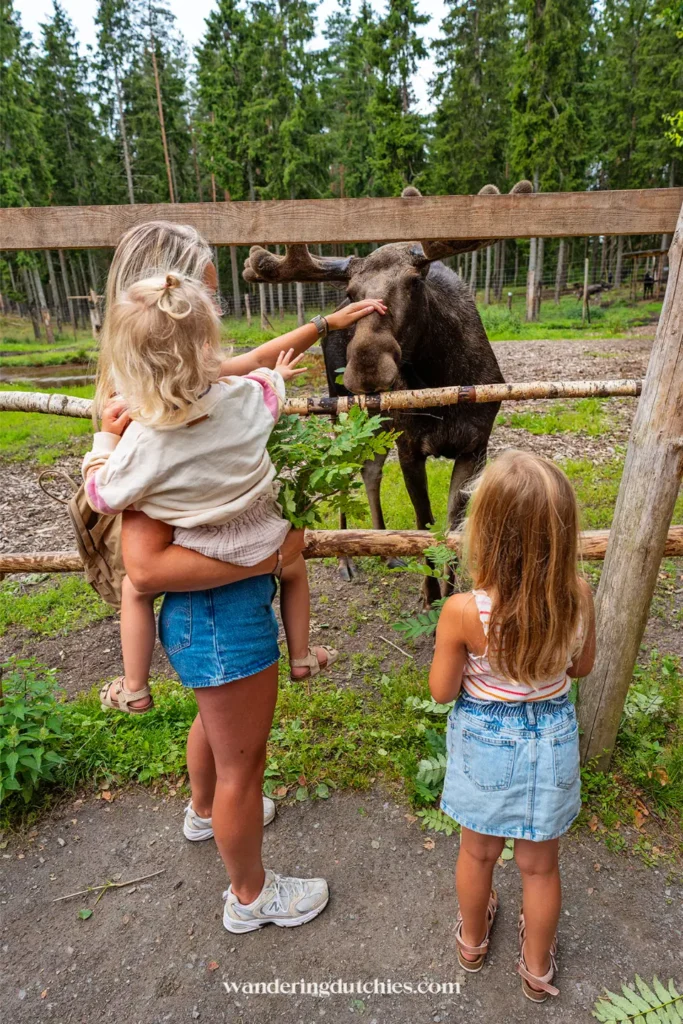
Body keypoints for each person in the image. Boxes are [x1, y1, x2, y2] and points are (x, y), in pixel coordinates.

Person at [89, 220, 387, 932]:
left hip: (203, 623)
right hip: (224, 614)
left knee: (219, 739)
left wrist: (105, 435)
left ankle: (203, 813)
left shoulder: (146, 413)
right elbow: (143, 563)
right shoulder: (227, 408)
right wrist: (268, 555)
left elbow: (106, 490)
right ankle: (250, 896)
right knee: (243, 775)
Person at [428, 451, 596, 1001]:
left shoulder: (463, 612)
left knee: (477, 853)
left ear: (487, 533)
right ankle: (536, 967)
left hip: (485, 744)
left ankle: (473, 943)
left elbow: (441, 691)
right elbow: (583, 668)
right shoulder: (577, 595)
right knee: (540, 868)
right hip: (552, 740)